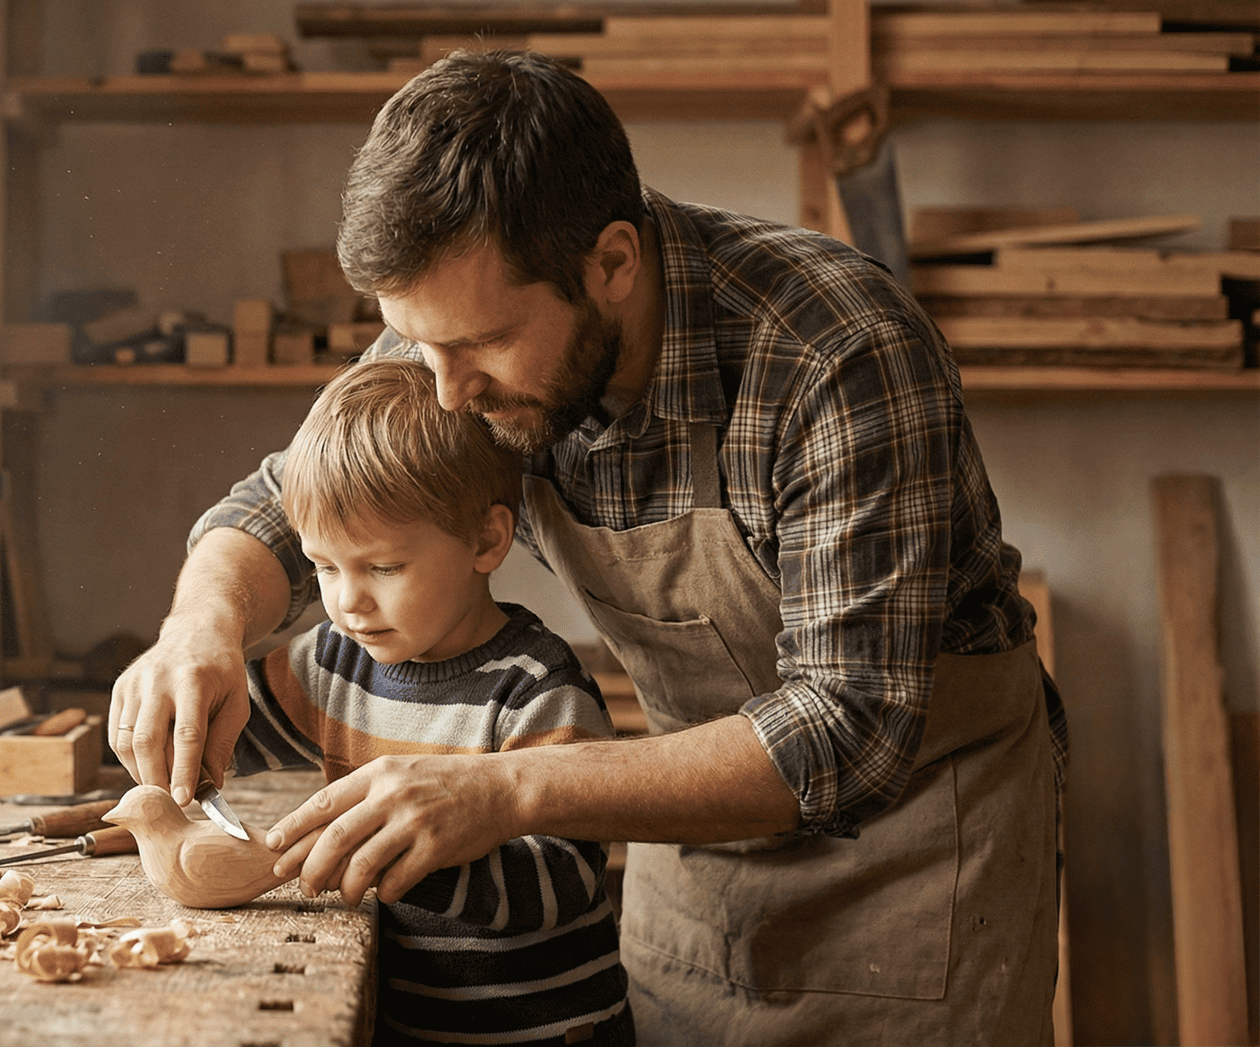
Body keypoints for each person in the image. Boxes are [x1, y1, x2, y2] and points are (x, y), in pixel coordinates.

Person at [111, 49, 1066, 1045]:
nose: (446, 391)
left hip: (912, 865)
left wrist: (507, 787)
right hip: (689, 842)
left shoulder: (835, 349)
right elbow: (279, 504)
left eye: (477, 346)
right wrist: (201, 625)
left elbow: (847, 732)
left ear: (611, 263)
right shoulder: (464, 334)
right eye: (417, 344)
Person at [226, 355, 629, 1045]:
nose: (349, 600)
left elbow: (566, 880)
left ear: (486, 539)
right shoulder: (336, 659)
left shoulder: (535, 688)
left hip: (546, 1034)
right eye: (325, 566)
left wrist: (403, 862)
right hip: (412, 1026)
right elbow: (232, 725)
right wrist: (180, 703)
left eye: (383, 567)